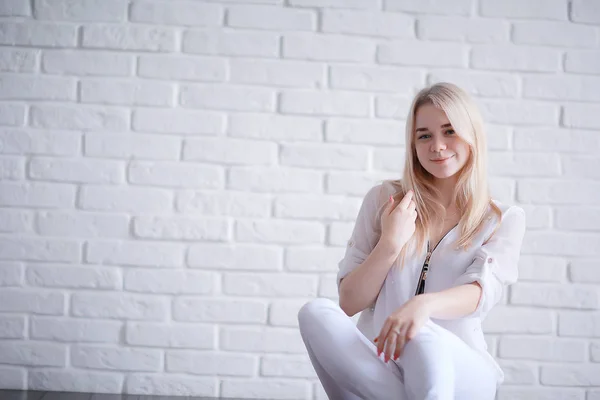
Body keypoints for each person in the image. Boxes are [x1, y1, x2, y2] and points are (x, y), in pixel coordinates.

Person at [297, 82, 526, 400]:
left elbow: (481, 293)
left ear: (471, 136)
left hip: (462, 369)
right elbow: (349, 302)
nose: (438, 146)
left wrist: (422, 306)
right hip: (382, 363)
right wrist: (390, 243)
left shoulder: (502, 218)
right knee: (314, 312)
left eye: (450, 131)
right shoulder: (385, 201)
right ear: (413, 144)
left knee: (421, 334)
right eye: (424, 135)